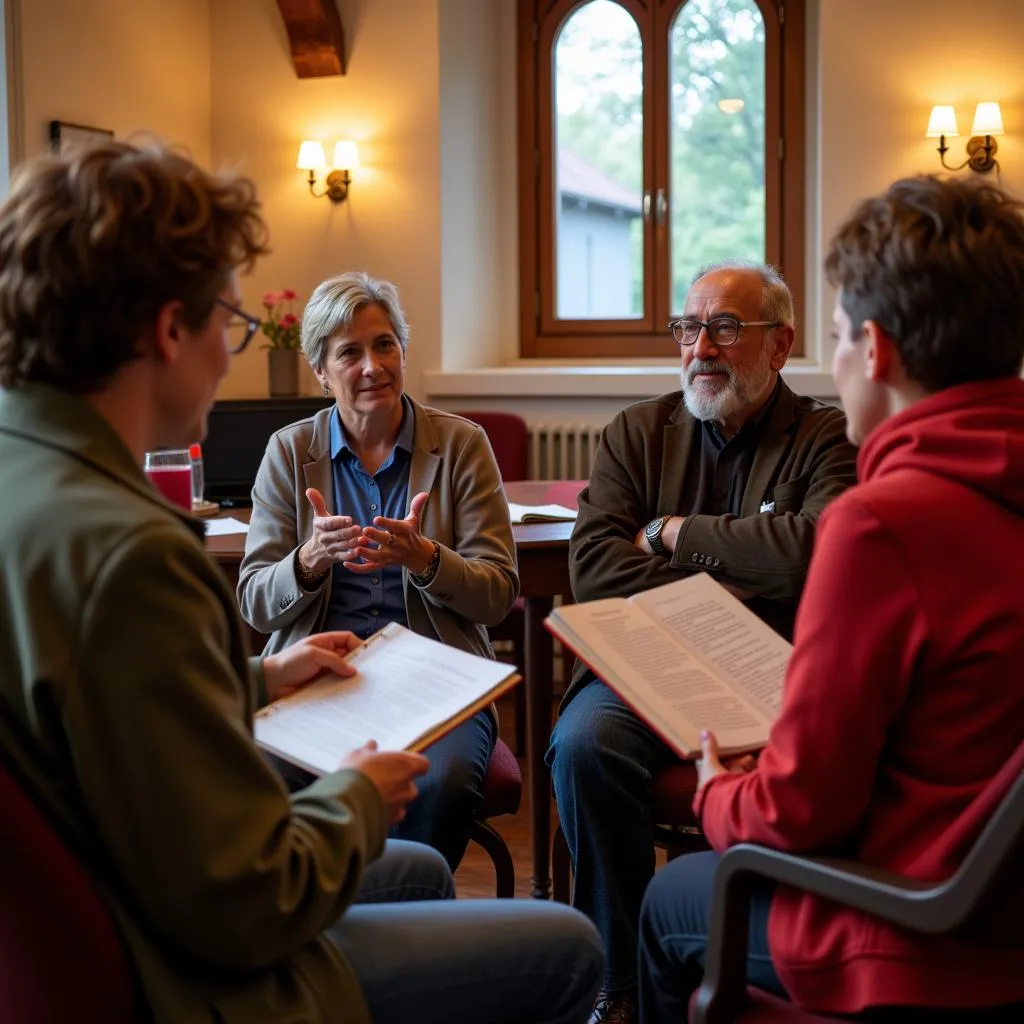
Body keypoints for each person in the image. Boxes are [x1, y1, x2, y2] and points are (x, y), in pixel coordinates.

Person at [0, 140, 602, 1024]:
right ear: (171, 329)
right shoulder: (135, 554)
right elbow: (248, 901)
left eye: (384, 344)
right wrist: (356, 800)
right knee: (571, 947)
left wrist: (257, 678)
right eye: (231, 325)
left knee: (428, 867)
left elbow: (103, 709)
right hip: (205, 976)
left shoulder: (28, 485)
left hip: (127, 910)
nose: (230, 352)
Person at [638, 175, 1024, 1022]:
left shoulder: (882, 526)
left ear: (875, 350)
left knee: (670, 903)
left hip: (917, 930)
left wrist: (713, 791)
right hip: (1004, 912)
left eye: (839, 335)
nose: (837, 359)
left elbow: (796, 813)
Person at [548, 260, 858, 1022]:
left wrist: (670, 534)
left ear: (780, 345)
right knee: (584, 745)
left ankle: (736, 950)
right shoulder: (636, 432)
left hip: (770, 673)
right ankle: (616, 987)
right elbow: (592, 572)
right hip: (639, 669)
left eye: (725, 327)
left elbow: (815, 554)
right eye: (689, 328)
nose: (701, 348)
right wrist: (741, 580)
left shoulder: (826, 437)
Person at [237, 270, 518, 871]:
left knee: (437, 784)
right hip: (319, 678)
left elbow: (497, 596)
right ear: (321, 370)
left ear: (403, 350)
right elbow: (255, 602)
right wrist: (308, 560)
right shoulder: (288, 453)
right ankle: (320, 929)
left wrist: (426, 558)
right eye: (350, 353)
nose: (373, 366)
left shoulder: (462, 446)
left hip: (437, 681)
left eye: (384, 344)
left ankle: (409, 926)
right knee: (248, 771)